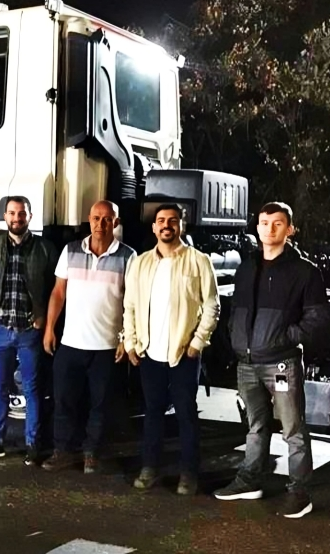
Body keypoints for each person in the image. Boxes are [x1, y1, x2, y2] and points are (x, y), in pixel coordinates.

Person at [214, 202, 327, 519]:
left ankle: (299, 493)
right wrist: (235, 340)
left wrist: (285, 338)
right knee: (255, 427)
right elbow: (236, 310)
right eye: (264, 223)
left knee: (293, 431)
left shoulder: (305, 272)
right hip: (247, 363)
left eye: (278, 224)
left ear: (290, 229)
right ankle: (249, 481)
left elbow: (317, 318)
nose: (270, 229)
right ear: (257, 227)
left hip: (282, 364)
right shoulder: (247, 267)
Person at [122, 203, 219, 495]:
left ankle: (188, 474)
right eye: (161, 221)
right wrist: (130, 342)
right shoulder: (139, 263)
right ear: (154, 228)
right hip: (149, 353)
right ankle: (150, 467)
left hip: (183, 353)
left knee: (186, 415)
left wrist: (197, 343)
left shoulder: (199, 261)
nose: (166, 225)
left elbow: (212, 305)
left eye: (172, 221)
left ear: (181, 226)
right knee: (152, 413)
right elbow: (130, 306)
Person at [41, 201, 136, 474]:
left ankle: (91, 453)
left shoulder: (128, 257)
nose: (101, 224)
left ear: (116, 223)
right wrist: (50, 328)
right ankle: (62, 451)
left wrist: (124, 339)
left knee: (100, 405)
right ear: (88, 219)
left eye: (107, 219)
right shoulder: (70, 251)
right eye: (96, 218)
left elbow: (132, 301)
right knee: (64, 401)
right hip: (71, 343)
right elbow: (59, 292)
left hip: (106, 346)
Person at [0, 196, 57, 464]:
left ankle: (33, 444)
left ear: (30, 217)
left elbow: (56, 289)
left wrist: (44, 318)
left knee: (32, 389)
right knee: (0, 388)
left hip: (29, 332)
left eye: (22, 214)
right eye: (11, 213)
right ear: (4, 217)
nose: (16, 218)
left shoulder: (44, 248)